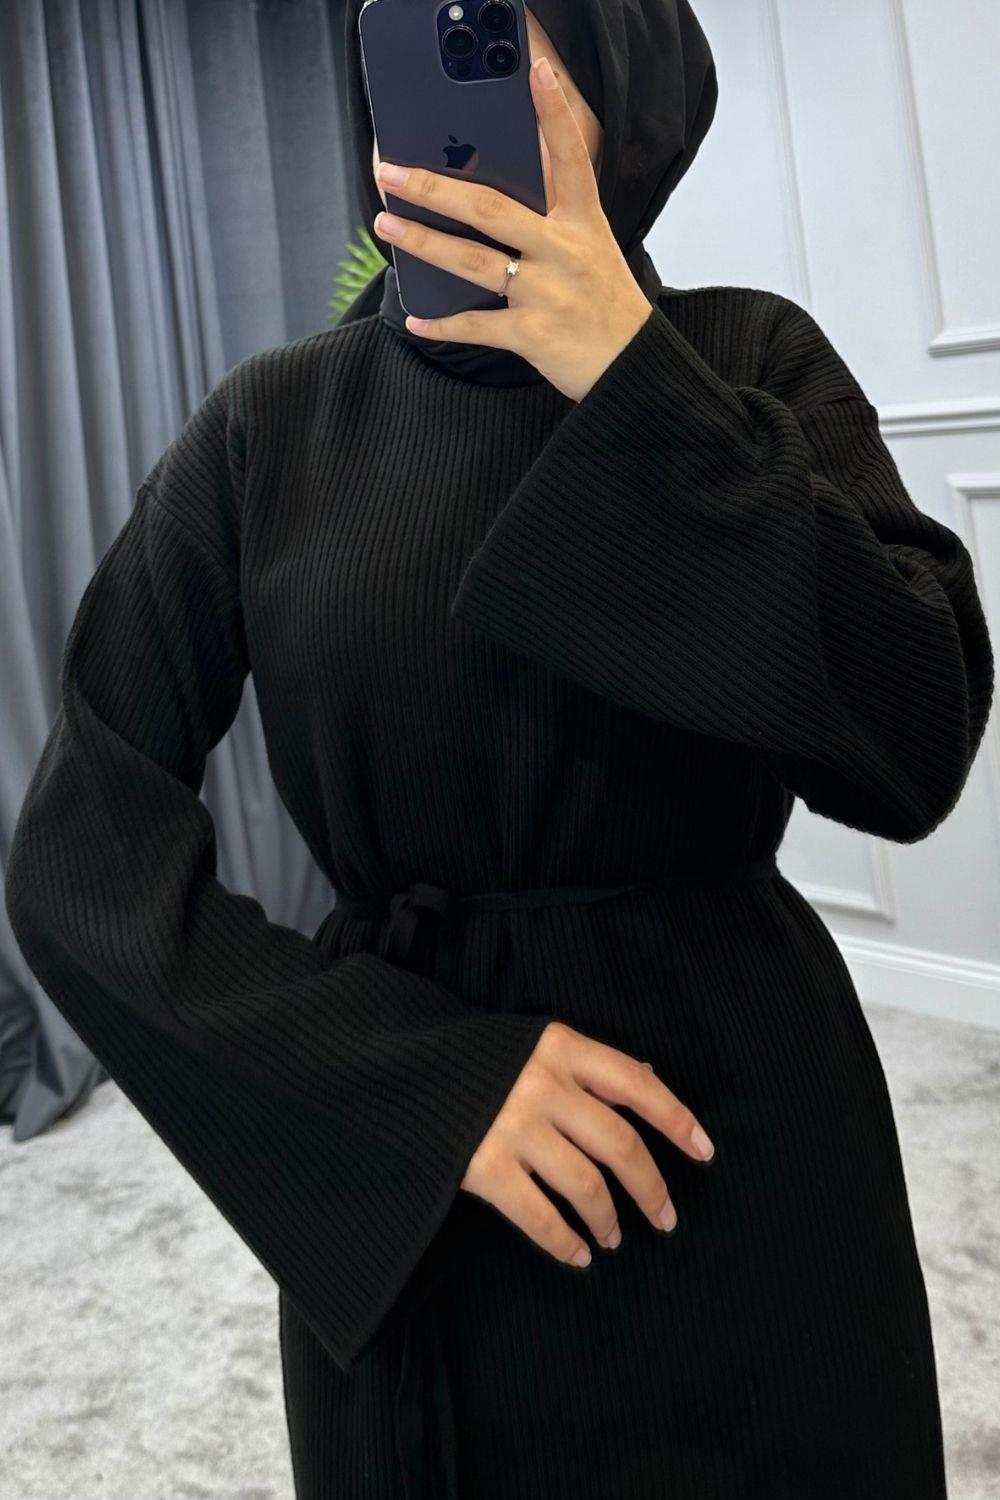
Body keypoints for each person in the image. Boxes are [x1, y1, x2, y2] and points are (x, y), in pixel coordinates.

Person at [5, 1, 994, 1496]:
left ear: (620, 79)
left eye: (492, 35)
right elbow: (80, 854)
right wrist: (412, 1086)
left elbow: (916, 742)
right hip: (421, 1172)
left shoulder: (746, 358)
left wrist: (636, 383)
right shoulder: (270, 426)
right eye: (406, 36)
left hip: (747, 1142)